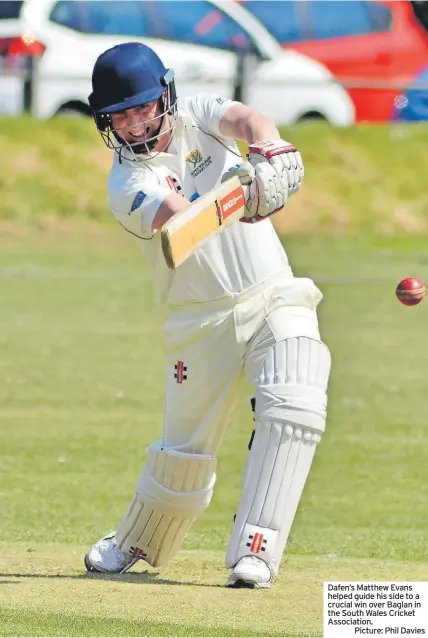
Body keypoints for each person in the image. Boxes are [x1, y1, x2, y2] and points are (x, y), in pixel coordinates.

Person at [84, 41, 331, 589]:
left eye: (142, 106)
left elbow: (246, 117)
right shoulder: (125, 184)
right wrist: (250, 194)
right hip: (200, 323)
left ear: (165, 96)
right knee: (184, 453)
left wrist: (270, 148)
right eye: (119, 115)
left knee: (297, 399)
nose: (132, 123)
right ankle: (137, 539)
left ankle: (258, 550)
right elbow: (184, 224)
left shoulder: (197, 113)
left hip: (273, 292)